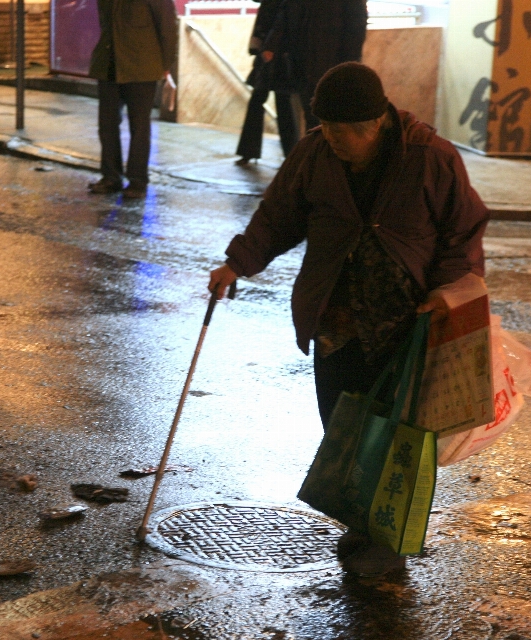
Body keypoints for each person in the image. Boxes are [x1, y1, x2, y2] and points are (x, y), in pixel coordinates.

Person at [208, 63, 489, 577]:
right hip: (335, 317)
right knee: (341, 421)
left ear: (374, 125)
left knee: (397, 430)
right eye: (327, 129)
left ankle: (384, 537)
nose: (331, 140)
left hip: (406, 323)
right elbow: (278, 215)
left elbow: (462, 235)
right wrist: (237, 263)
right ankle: (362, 521)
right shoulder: (315, 152)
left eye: (342, 133)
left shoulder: (430, 158)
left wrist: (450, 292)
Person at [87, 0, 178, 199]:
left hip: (142, 66)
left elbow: (168, 27)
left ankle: (137, 180)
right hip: (109, 65)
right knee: (107, 124)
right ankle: (111, 177)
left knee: (139, 126)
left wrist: (166, 64)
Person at [263, 0, 367, 135]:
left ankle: (325, 152)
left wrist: (350, 66)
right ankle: (315, 152)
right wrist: (271, 43)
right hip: (303, 63)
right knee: (312, 115)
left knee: (331, 117)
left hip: (332, 63)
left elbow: (356, 26)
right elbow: (286, 14)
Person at [234, 0, 301, 165]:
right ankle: (290, 153)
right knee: (278, 103)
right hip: (276, 52)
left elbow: (281, 19)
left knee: (272, 102)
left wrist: (267, 46)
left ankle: (252, 151)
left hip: (274, 52)